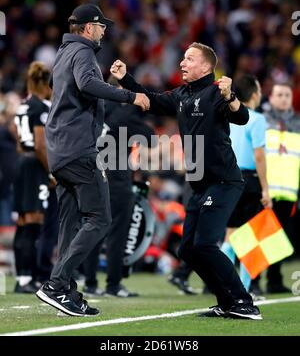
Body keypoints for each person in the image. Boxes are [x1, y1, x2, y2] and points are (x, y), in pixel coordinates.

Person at [111, 42, 262, 320]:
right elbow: (152, 99)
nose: (182, 63)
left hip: (224, 181)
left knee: (204, 245)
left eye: (189, 59)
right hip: (200, 185)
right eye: (182, 58)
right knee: (188, 250)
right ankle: (227, 302)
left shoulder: (217, 91)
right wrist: (125, 79)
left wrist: (231, 96)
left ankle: (244, 302)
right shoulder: (181, 95)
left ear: (206, 66)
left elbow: (242, 117)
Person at [36, 3, 150, 317]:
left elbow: (66, 88)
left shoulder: (63, 53)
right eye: (101, 26)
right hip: (78, 150)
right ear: (89, 28)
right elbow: (86, 85)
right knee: (100, 218)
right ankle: (57, 285)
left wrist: (108, 86)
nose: (104, 31)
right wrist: (129, 95)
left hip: (59, 151)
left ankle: (67, 292)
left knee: (70, 224)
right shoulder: (84, 51)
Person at [82, 77, 156, 298]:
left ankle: (89, 282)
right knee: (117, 231)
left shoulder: (96, 104)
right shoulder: (127, 113)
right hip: (117, 177)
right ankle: (113, 284)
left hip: (92, 173)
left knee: (93, 228)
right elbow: (150, 138)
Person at [221, 75, 272, 297]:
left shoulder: (226, 115)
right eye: (259, 89)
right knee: (250, 239)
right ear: (253, 94)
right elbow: (259, 156)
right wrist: (266, 188)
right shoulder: (257, 119)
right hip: (249, 181)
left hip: (228, 179)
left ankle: (225, 288)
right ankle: (243, 290)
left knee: (230, 235)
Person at [13, 61, 53, 293]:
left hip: (21, 163)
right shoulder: (40, 108)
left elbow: (19, 141)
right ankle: (27, 280)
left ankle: (23, 277)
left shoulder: (23, 105)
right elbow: (40, 145)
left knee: (22, 222)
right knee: (33, 224)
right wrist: (50, 171)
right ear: (45, 84)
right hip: (35, 164)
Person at [258, 83, 300, 293]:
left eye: (287, 95)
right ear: (271, 98)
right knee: (259, 238)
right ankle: (253, 281)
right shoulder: (261, 122)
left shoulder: (298, 124)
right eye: (279, 95)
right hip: (265, 190)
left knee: (281, 240)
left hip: (289, 192)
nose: (284, 98)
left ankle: (274, 279)